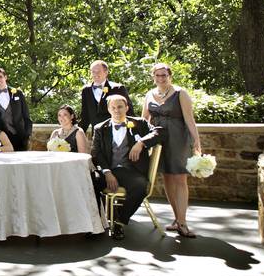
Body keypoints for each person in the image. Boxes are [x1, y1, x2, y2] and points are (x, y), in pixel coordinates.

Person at [142, 62, 203, 238]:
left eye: (164, 75)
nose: (161, 78)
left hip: (178, 140)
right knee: (167, 178)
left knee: (180, 179)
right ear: (153, 77)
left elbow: (190, 120)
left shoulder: (180, 94)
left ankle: (183, 222)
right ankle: (177, 219)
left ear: (170, 76)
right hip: (158, 141)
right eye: (157, 75)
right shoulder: (149, 94)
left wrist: (197, 142)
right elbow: (144, 120)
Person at [92, 94, 159, 240]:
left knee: (140, 185)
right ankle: (94, 223)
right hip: (108, 170)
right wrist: (107, 172)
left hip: (130, 171)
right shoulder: (100, 128)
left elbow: (159, 132)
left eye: (120, 107)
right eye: (113, 107)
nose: (117, 110)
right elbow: (96, 152)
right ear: (108, 109)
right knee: (88, 182)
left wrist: (141, 142)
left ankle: (119, 222)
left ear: (127, 107)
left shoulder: (140, 123)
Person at [79, 60, 133, 133]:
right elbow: (85, 115)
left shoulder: (117, 88)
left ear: (106, 72)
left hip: (117, 132)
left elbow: (129, 111)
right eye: (93, 72)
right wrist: (76, 134)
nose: (95, 74)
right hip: (97, 134)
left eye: (98, 71)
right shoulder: (86, 90)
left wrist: (132, 131)